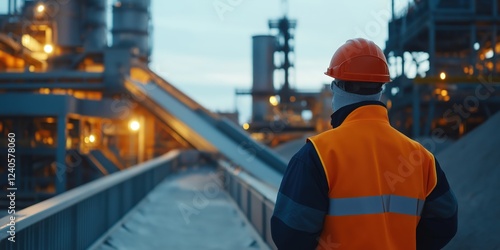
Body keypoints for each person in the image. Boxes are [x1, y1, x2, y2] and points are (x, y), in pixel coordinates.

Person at [270, 38, 458, 250]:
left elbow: (289, 235)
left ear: (337, 86)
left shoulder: (318, 154)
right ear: (381, 88)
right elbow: (446, 221)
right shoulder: (421, 157)